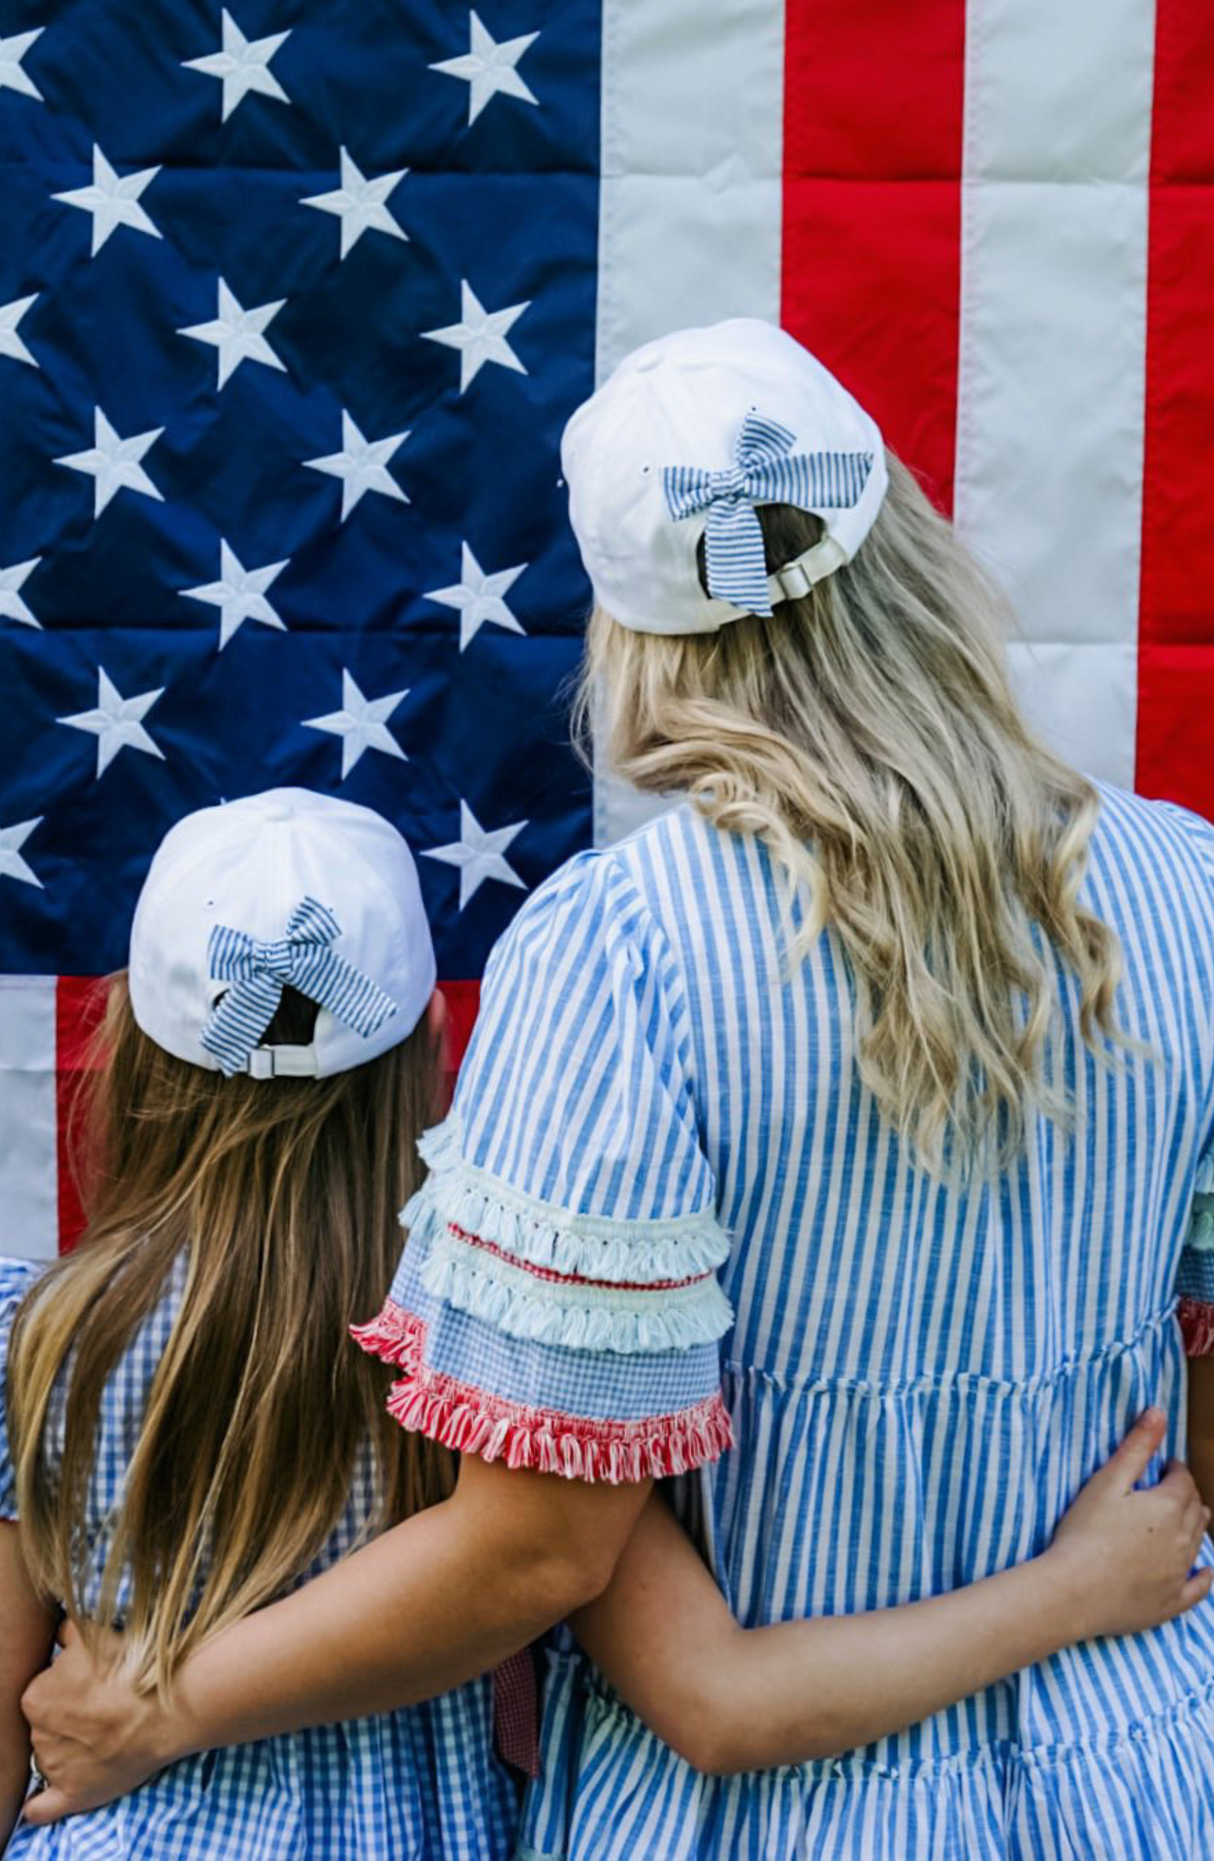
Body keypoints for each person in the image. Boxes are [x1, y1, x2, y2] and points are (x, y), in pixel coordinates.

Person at [15, 321, 1214, 1858]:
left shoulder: (620, 954)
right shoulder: (1185, 891)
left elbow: (533, 1556)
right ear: (903, 540)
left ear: (639, 641)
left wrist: (164, 1706)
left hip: (763, 1818)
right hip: (1136, 1770)